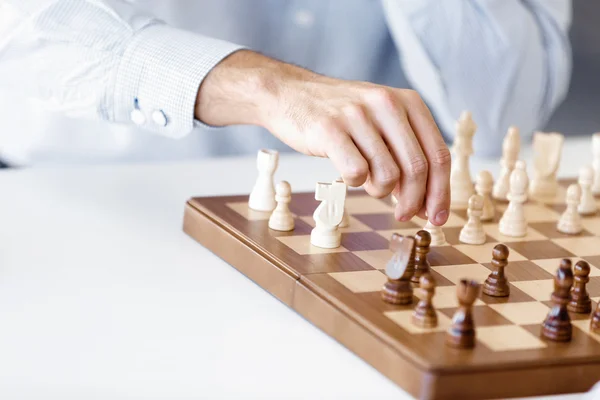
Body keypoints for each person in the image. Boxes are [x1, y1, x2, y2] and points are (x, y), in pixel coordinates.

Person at [0, 0, 572, 226]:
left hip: (363, 216)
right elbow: (30, 31)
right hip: (84, 205)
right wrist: (267, 87)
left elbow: (506, 112)